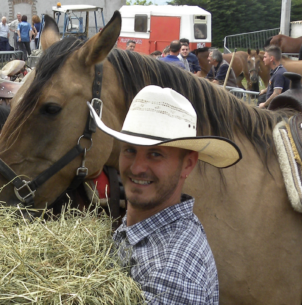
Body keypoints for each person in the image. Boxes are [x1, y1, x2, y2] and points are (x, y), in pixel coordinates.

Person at [88, 85, 241, 304]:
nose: (137, 167)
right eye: (130, 149)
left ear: (187, 164)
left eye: (155, 154)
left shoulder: (170, 272)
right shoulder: (146, 230)